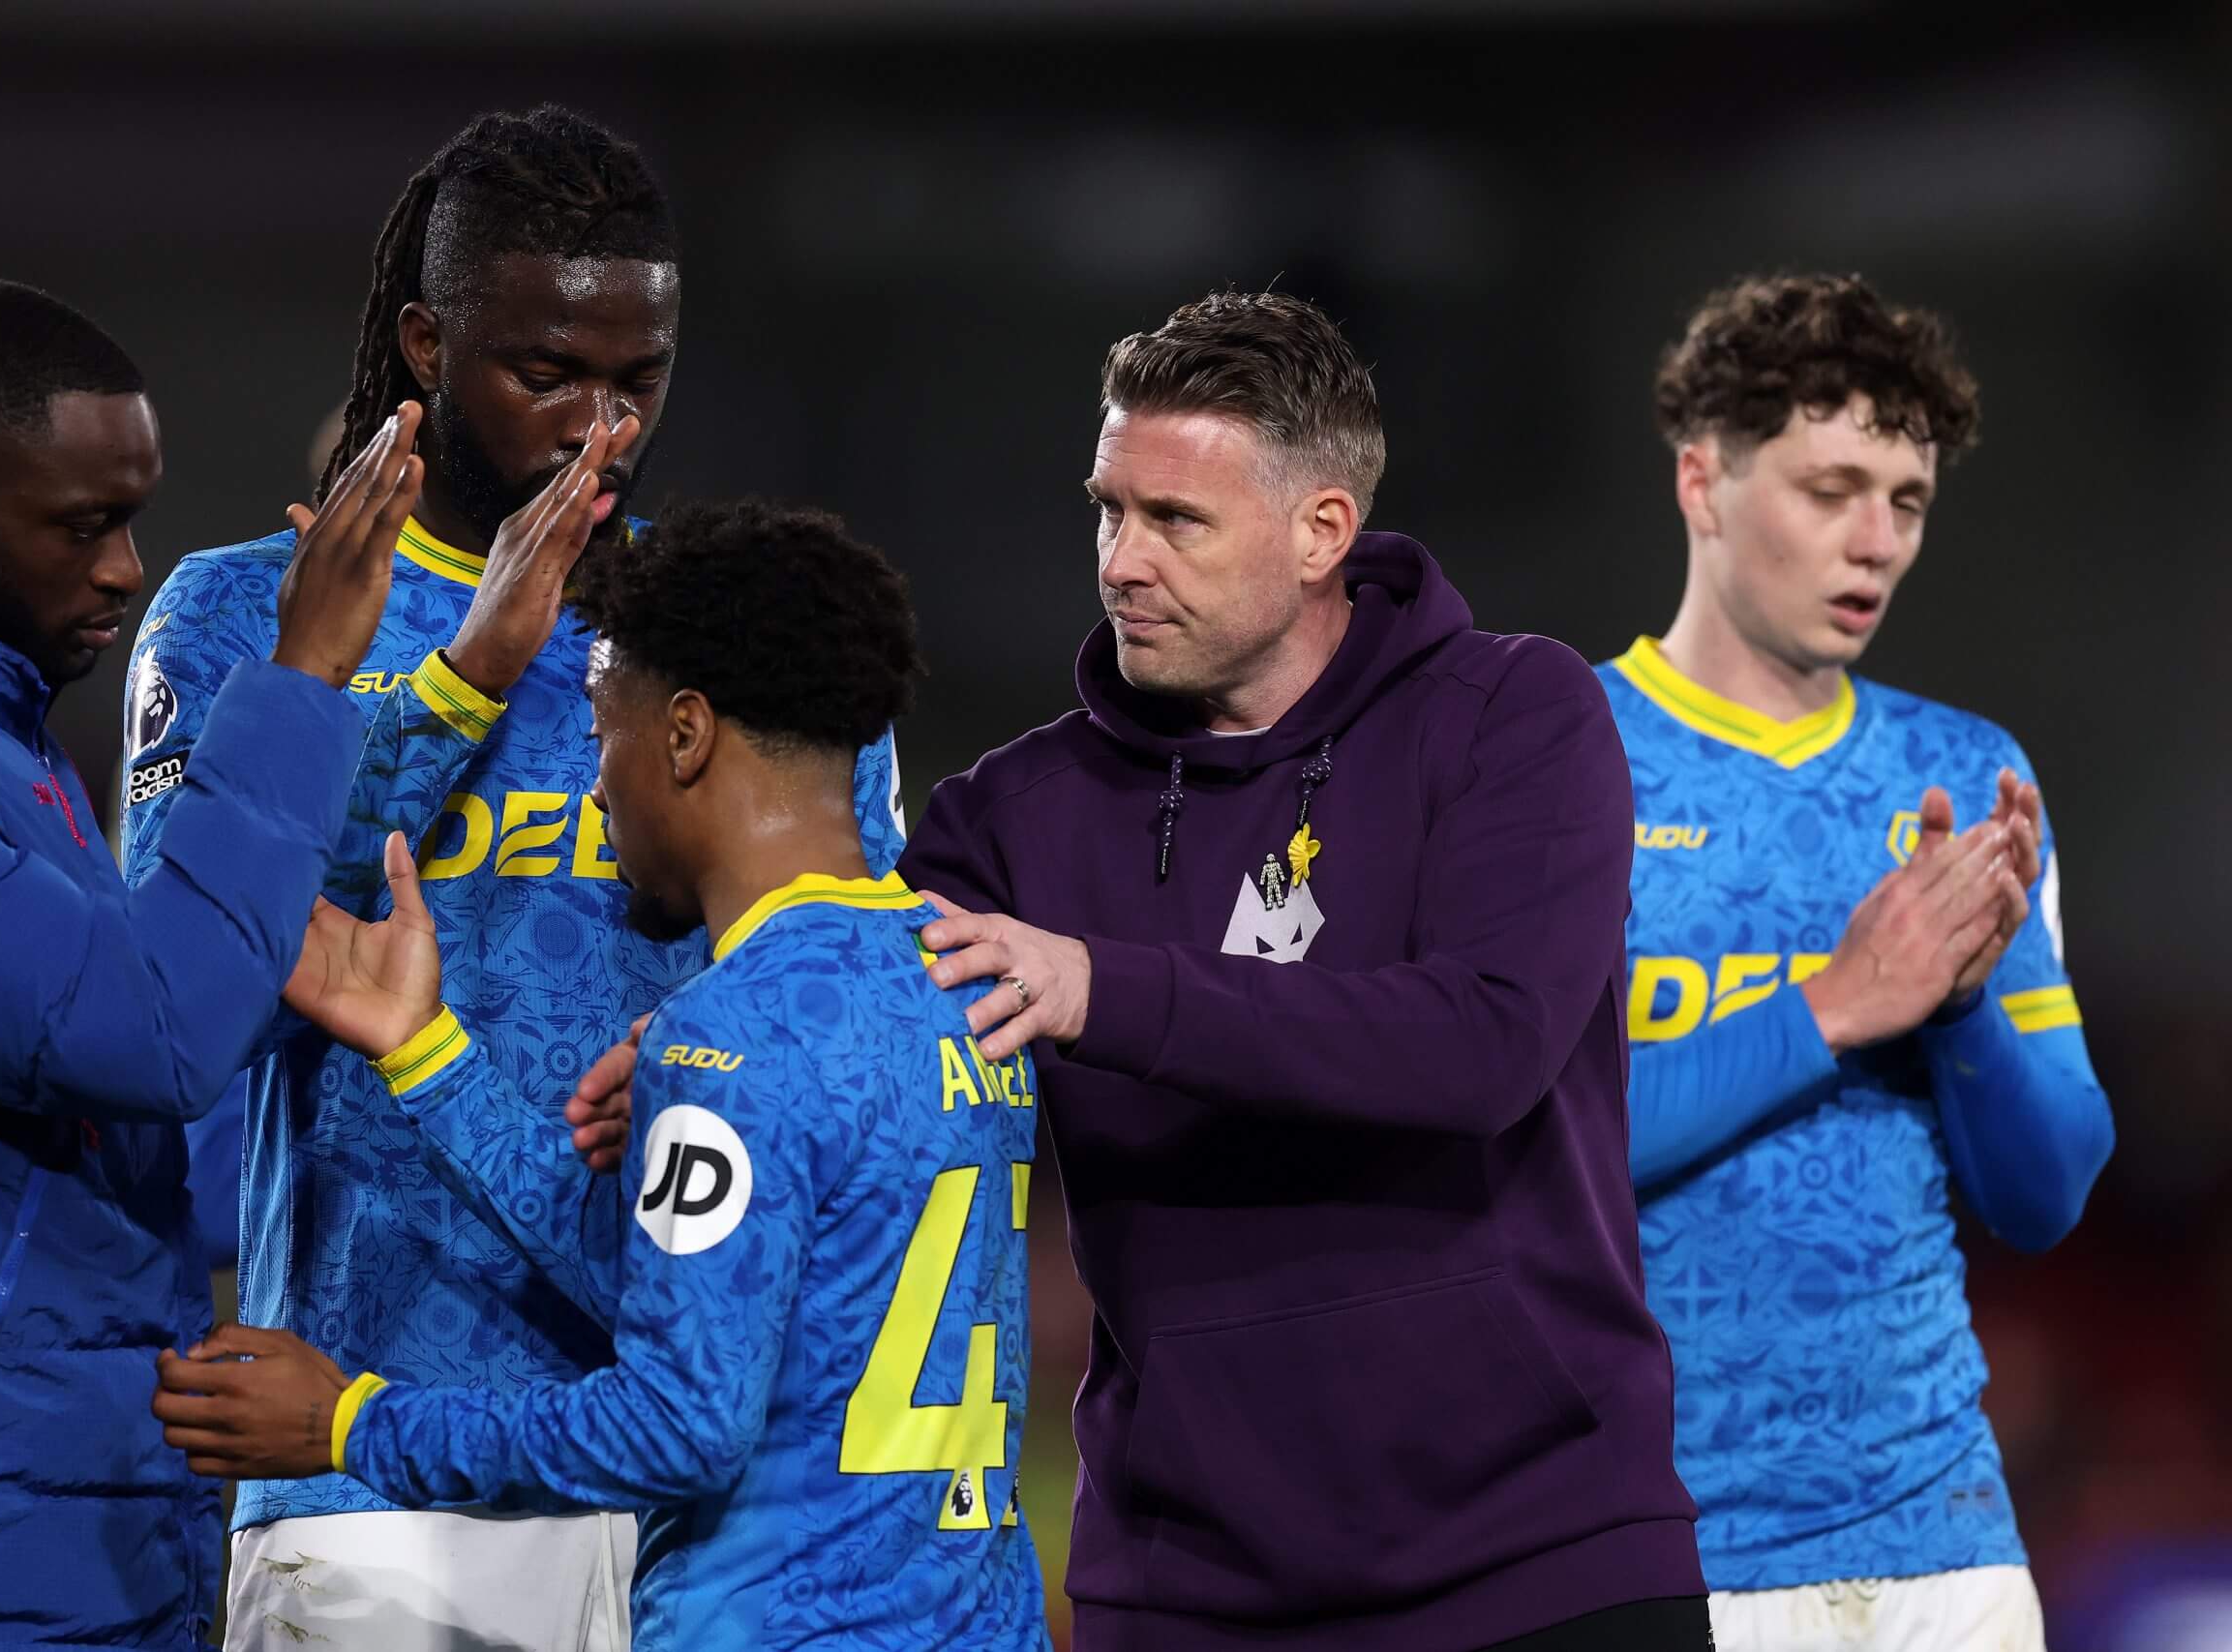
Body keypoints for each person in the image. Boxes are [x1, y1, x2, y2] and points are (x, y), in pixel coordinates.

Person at [123, 107, 905, 1649]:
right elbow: (189, 997)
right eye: (547, 373)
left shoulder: (747, 640)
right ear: (426, 342)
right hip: (372, 1464)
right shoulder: (243, 619)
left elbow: (842, 1002)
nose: (598, 426)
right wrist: (464, 678)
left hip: (703, 1461)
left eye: (639, 379)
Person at [892, 290, 1709, 1650]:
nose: (1121, 561)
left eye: (1176, 520)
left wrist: (1110, 989)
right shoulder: (1010, 817)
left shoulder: (1519, 714)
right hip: (1190, 1589)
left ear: (1323, 529)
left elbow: (1482, 1041)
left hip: (1546, 1557)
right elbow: (848, 1018)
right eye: (1110, 508)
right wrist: (692, 1048)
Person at [153, 499, 1048, 1651]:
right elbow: (685, 1296)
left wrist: (354, 1423)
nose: (590, 785)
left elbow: (678, 1423)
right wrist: (429, 1054)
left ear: (683, 735)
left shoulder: (728, 1036)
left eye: (597, 725)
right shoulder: (964, 986)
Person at [0, 279, 422, 1647]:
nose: (125, 565)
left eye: (130, 513)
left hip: (21, 1546)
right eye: (83, 522)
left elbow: (115, 1137)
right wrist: (299, 674)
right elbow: (153, 1032)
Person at [1605, 273, 2113, 1650]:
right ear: (1703, 483)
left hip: (1941, 1541)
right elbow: (1538, 1141)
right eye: (1831, 488)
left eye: (1907, 499)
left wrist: (1957, 1012)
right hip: (1652, 1544)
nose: (1875, 539)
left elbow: (2049, 1188)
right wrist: (1839, 1001)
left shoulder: (1966, 771)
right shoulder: (1565, 762)